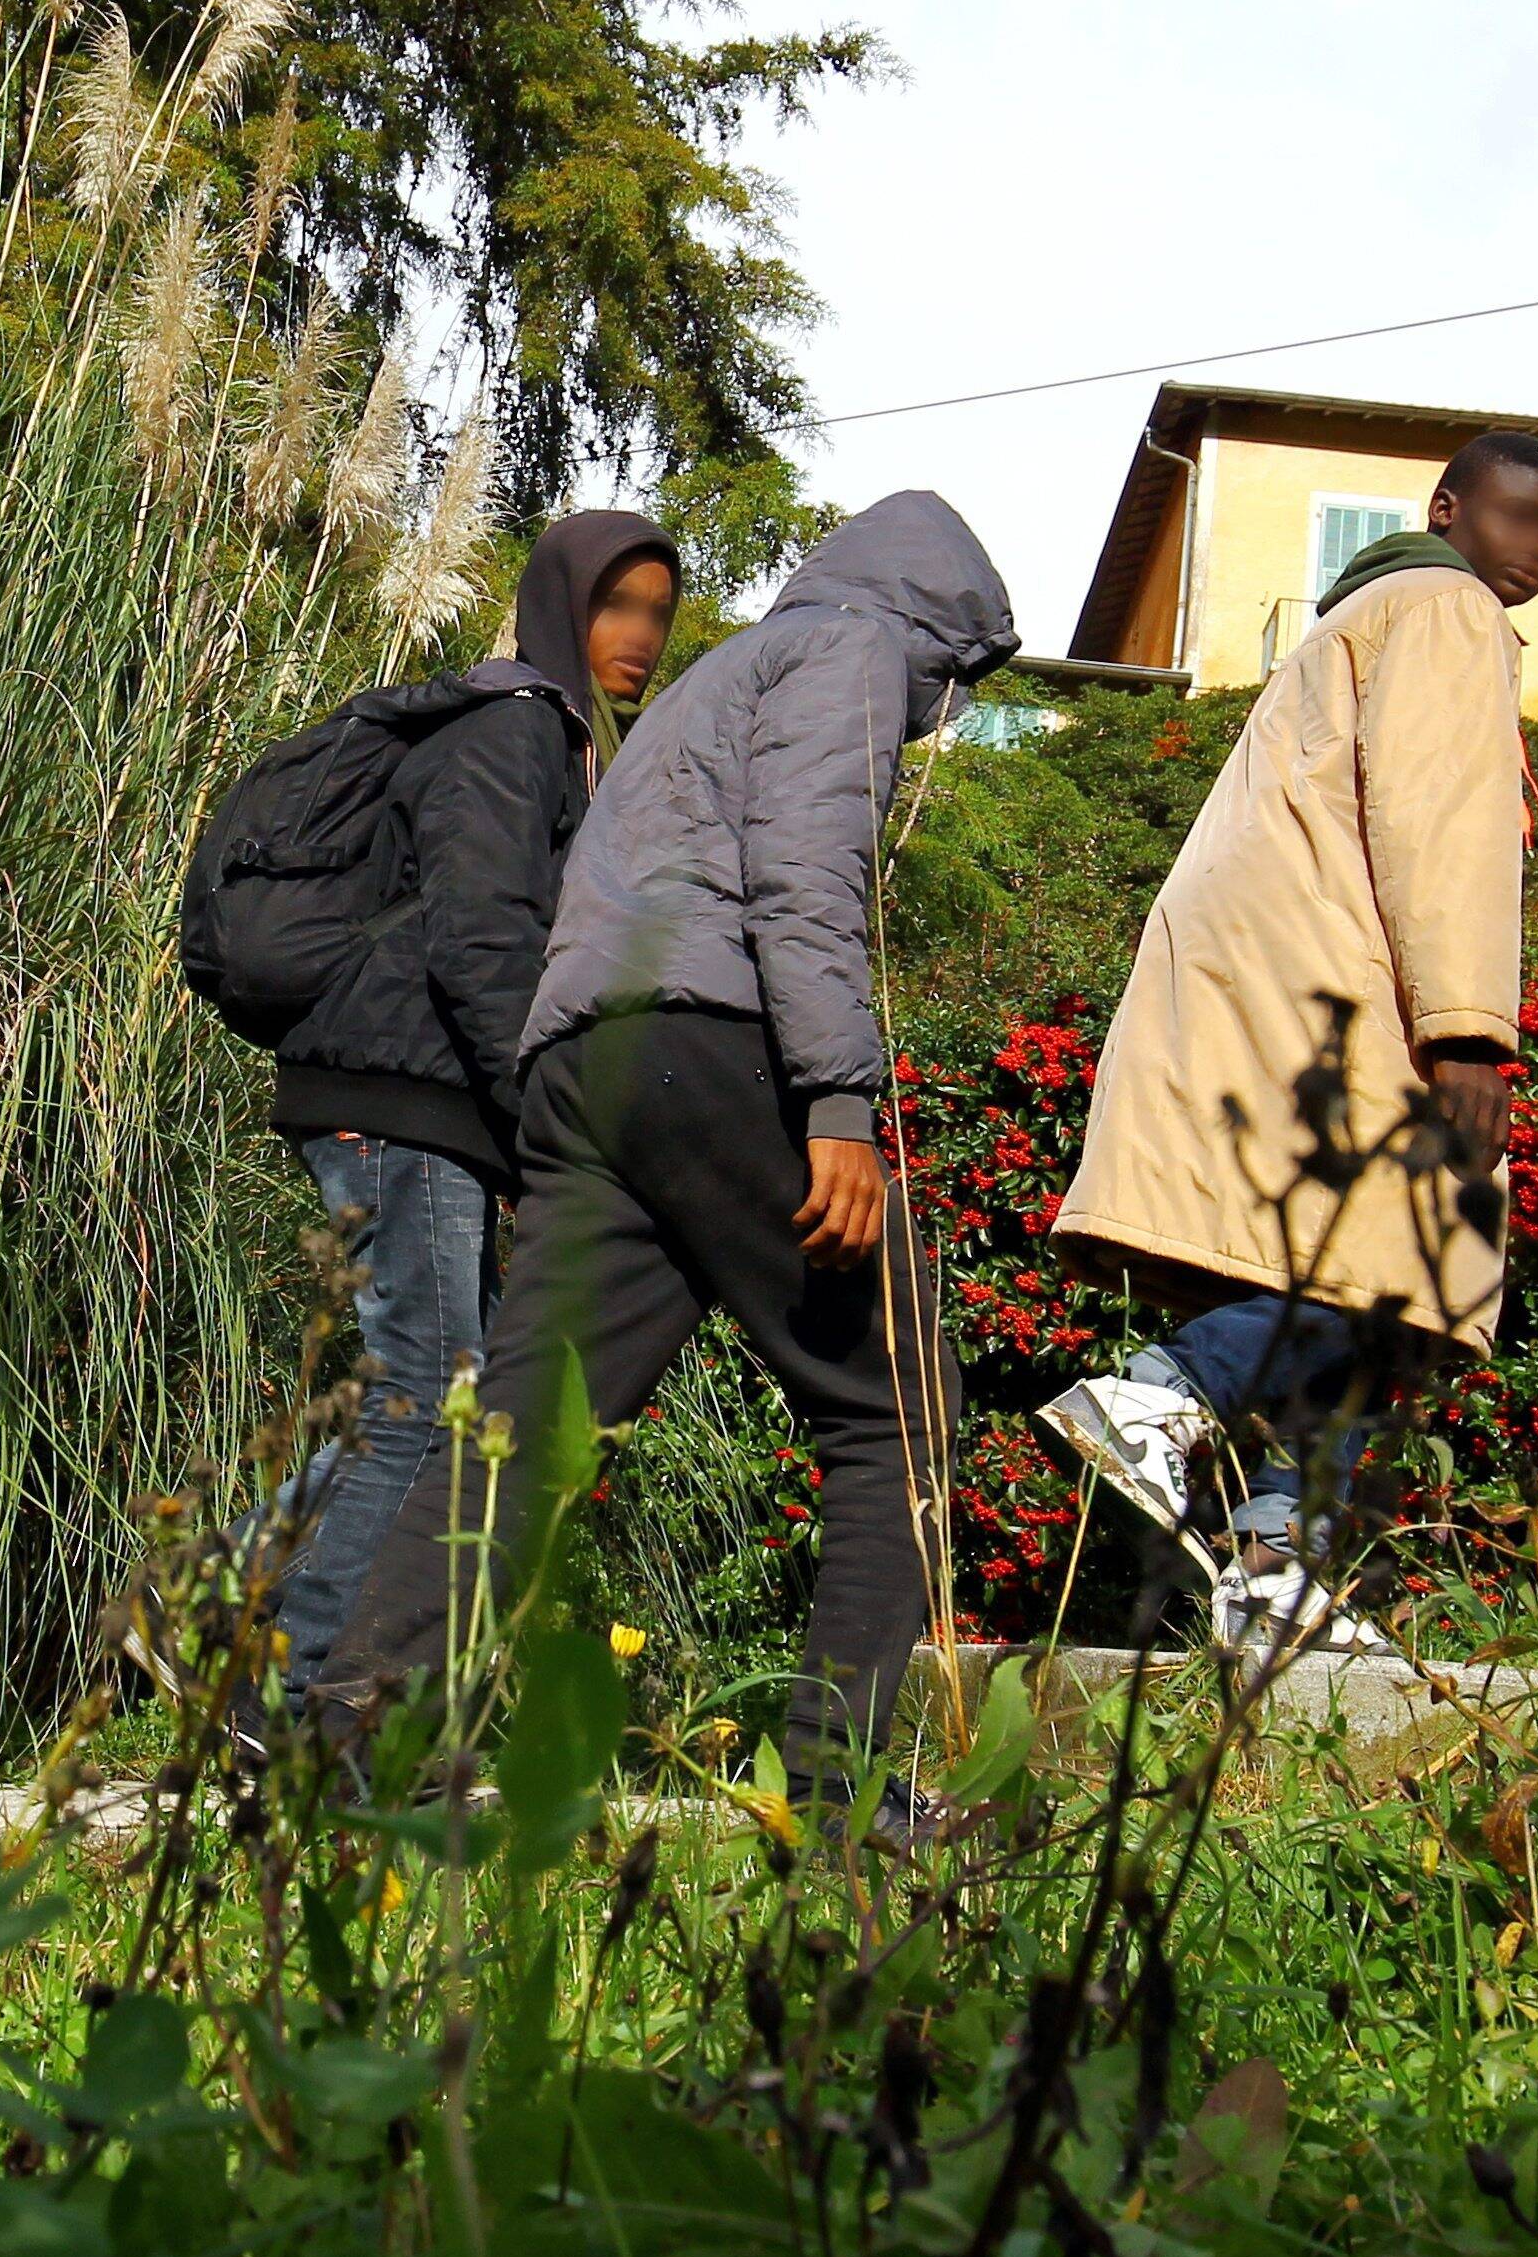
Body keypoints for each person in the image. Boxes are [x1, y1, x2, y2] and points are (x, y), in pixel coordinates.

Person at [311, 492, 1019, 1841]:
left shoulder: (722, 674)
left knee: (530, 1426)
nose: (937, 713)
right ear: (940, 626)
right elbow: (802, 873)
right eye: (953, 681)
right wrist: (838, 1100)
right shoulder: (854, 647)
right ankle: (843, 1787)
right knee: (898, 1411)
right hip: (716, 1047)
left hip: (588, 1064)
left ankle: (355, 1759)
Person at [1041, 432, 1538, 1652]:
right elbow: (1444, 827)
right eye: (1516, 518)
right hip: (1341, 981)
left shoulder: (1363, 617)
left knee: (1336, 1269)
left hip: (1277, 972)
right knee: (1400, 1261)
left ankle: (1275, 1574)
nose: (1535, 549)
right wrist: (1469, 1034)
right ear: (1449, 510)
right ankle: (1160, 1397)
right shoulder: (1445, 608)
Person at [234, 514, 679, 1692]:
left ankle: (216, 1605)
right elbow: (483, 938)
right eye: (615, 605)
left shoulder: (563, 742)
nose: (637, 636)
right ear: (559, 606)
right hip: (401, 1096)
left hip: (424, 1100)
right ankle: (290, 1673)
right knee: (431, 1391)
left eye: (658, 614)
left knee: (431, 1387)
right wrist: (549, 1128)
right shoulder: (514, 728)